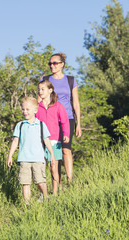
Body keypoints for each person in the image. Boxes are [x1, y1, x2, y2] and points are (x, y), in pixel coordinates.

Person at [39, 52, 82, 185]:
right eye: (50, 63)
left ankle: (70, 181)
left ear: (62, 64)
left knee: (66, 149)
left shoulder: (70, 80)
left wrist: (78, 124)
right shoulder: (46, 79)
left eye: (55, 63)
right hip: (50, 119)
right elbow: (39, 100)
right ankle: (56, 183)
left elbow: (75, 102)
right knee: (54, 151)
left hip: (67, 118)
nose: (52, 66)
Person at [7, 97, 56, 205]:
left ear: (35, 110)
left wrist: (52, 154)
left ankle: (46, 197)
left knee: (40, 181)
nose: (25, 112)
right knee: (25, 183)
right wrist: (10, 156)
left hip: (38, 159)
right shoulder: (20, 125)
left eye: (27, 109)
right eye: (23, 109)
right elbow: (15, 141)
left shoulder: (41, 125)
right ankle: (27, 205)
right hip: (24, 159)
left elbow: (47, 141)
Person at [36, 80, 70, 195]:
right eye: (39, 89)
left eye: (42, 89)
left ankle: (55, 193)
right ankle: (43, 194)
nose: (40, 92)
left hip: (55, 141)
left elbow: (65, 121)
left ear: (50, 90)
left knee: (53, 167)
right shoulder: (37, 107)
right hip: (40, 142)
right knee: (41, 168)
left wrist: (66, 134)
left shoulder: (58, 105)